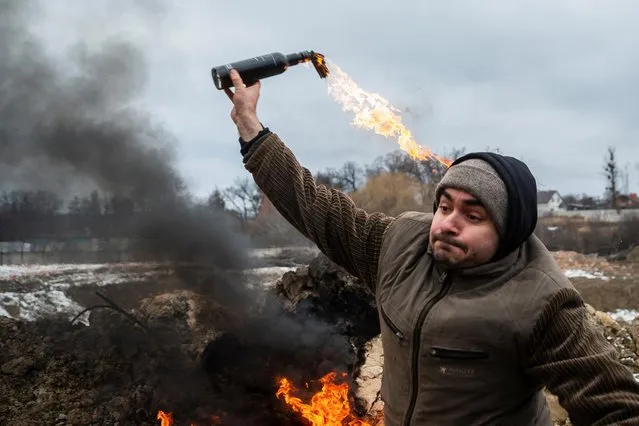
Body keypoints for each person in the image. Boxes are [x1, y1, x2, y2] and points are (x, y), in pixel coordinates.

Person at [222, 68, 639, 425]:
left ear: (509, 230)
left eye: (473, 216)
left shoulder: (542, 300)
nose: (448, 225)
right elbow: (317, 209)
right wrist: (251, 128)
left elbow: (615, 408)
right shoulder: (402, 244)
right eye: (444, 206)